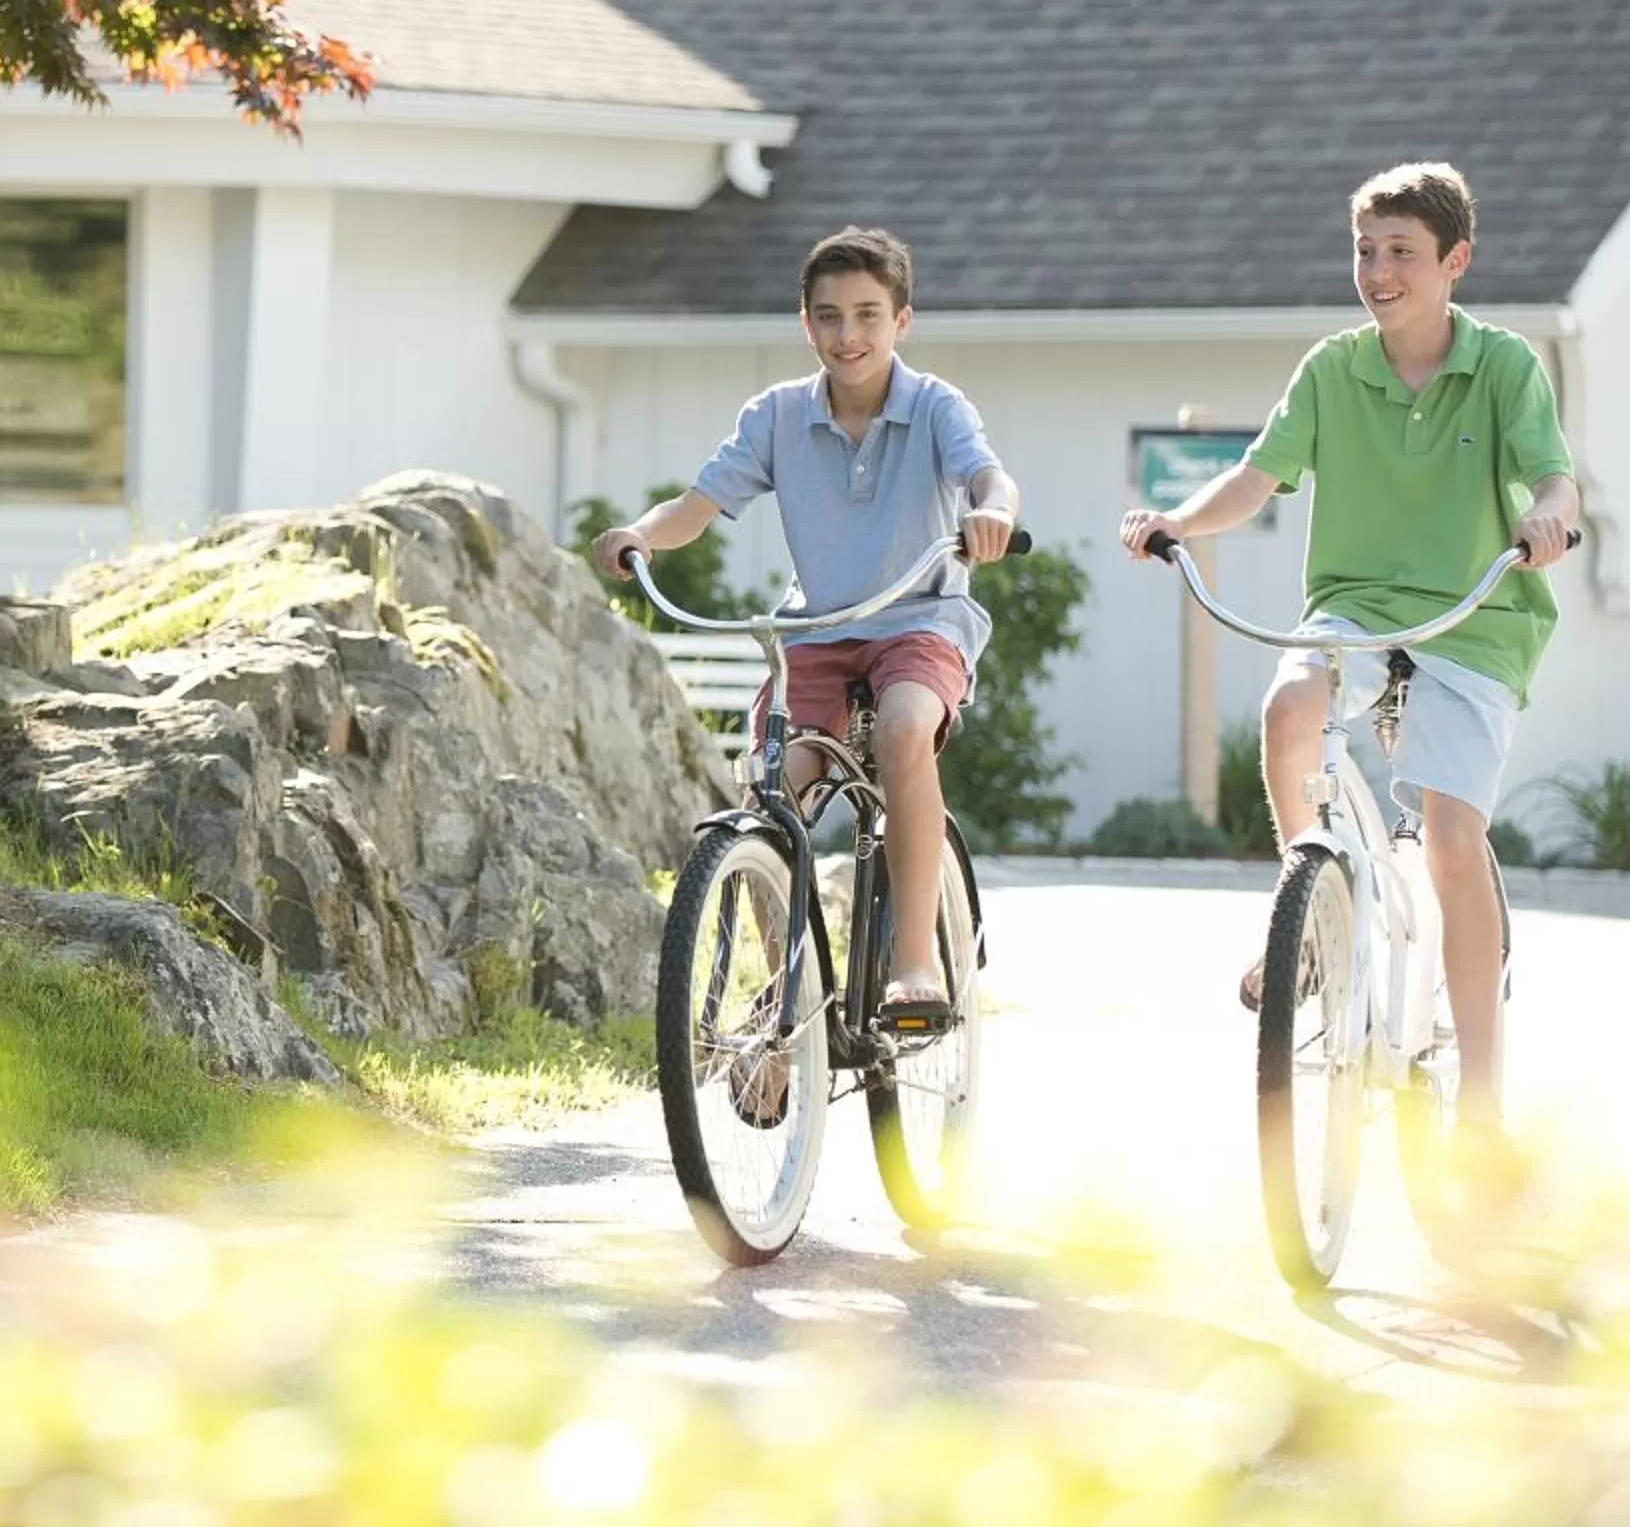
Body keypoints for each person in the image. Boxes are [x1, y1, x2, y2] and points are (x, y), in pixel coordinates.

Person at [1118, 161, 1580, 1166]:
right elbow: (1258, 474)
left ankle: (1485, 1110)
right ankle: (1313, 909)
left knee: (1453, 841)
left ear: (1455, 260)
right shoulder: (1334, 367)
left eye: (1402, 251)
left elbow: (1552, 474)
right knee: (1289, 711)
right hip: (1355, 607)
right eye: (1365, 250)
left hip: (1476, 614)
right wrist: (1180, 525)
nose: (1378, 269)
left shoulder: (1503, 367)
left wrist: (1548, 516)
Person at [593, 225, 1021, 1024]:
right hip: (818, 630)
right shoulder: (779, 415)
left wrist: (993, 512)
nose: (848, 335)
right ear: (806, 324)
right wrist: (643, 535)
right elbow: (698, 505)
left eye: (867, 314)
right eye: (829, 316)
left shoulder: (934, 408)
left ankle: (915, 959)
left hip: (921, 620)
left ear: (902, 321)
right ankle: (788, 1003)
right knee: (766, 790)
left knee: (901, 732)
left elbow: (988, 476)